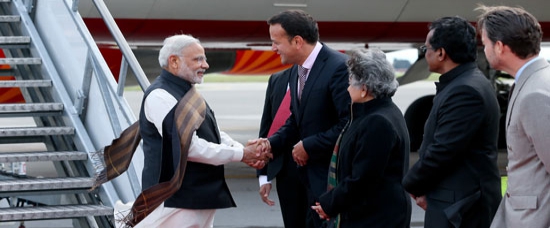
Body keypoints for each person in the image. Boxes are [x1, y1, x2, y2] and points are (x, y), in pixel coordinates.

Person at [135, 34, 269, 227]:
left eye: (204, 58)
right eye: (198, 59)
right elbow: (189, 147)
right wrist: (240, 154)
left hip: (196, 196)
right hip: (175, 200)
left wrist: (240, 149)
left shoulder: (186, 91)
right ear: (174, 61)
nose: (205, 65)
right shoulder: (161, 96)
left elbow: (211, 132)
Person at [401, 16, 502, 228]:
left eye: (426, 47)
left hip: (461, 208)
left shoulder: (465, 91)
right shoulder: (462, 83)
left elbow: (443, 150)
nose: (425, 52)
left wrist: (411, 183)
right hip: (456, 202)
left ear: (441, 53)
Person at [255, 9, 351, 227]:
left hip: (328, 179)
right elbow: (296, 121)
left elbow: (349, 124)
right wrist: (270, 143)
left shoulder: (339, 68)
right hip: (302, 181)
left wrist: (309, 145)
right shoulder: (295, 71)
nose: (272, 48)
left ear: (297, 41)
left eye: (276, 42)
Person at [311, 48, 411, 227]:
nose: (348, 89)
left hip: (375, 217)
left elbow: (362, 179)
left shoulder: (376, 122)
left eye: (350, 83)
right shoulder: (383, 112)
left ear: (364, 89)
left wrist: (329, 204)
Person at [476, 5, 550, 228]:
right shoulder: (533, 81)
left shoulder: (535, 93)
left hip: (533, 218)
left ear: (499, 47)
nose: (484, 49)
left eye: (485, 43)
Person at [256, 68, 308, 227]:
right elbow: (267, 126)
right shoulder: (277, 79)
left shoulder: (327, 74)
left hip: (317, 168)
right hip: (286, 171)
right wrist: (264, 176)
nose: (274, 48)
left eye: (277, 43)